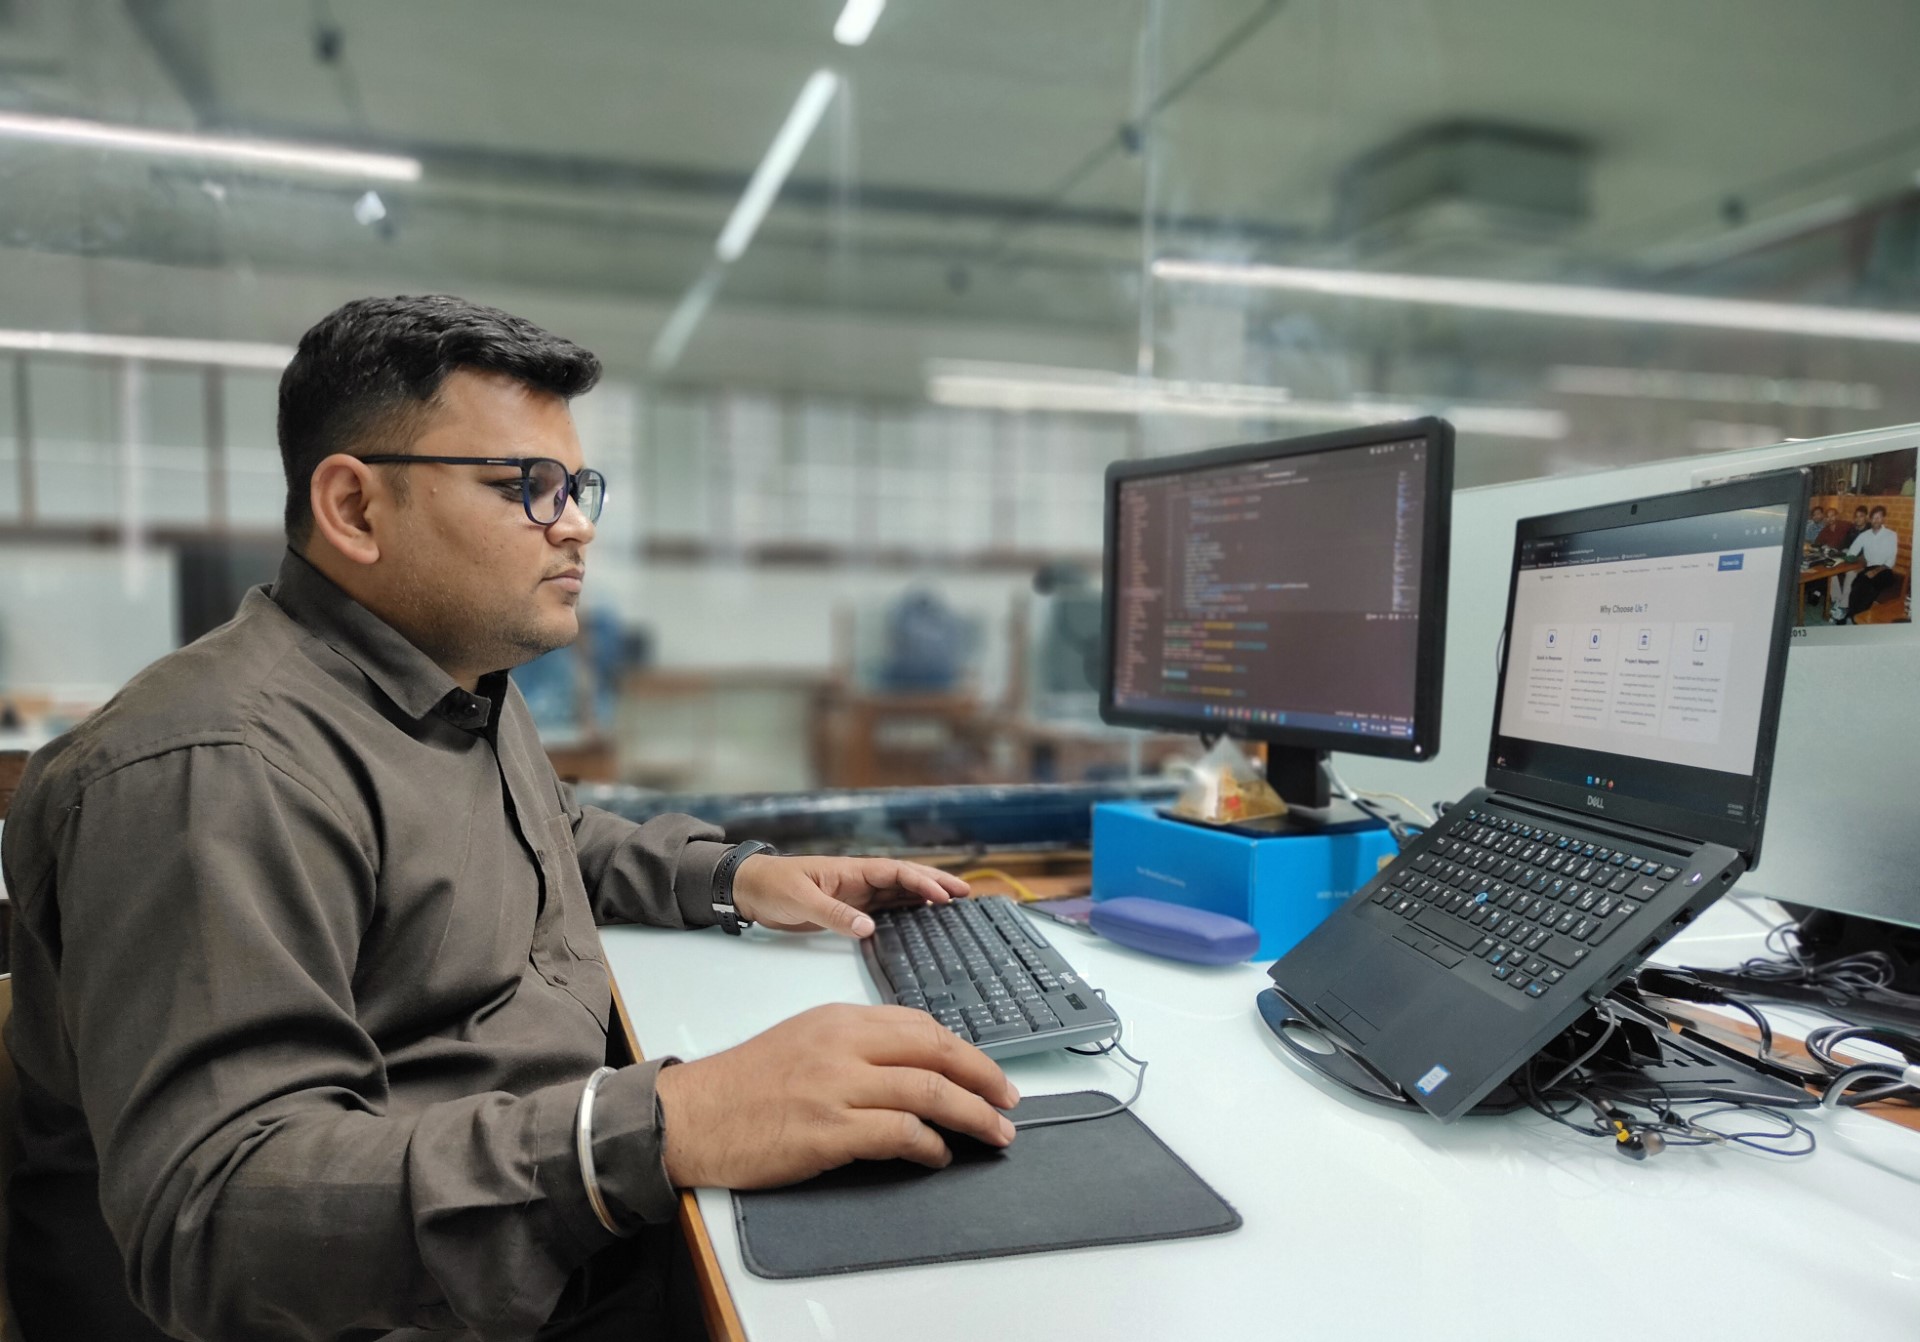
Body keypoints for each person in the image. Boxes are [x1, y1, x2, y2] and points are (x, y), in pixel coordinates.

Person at [0, 296, 1020, 1342]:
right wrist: (665, 1124)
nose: (575, 522)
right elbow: (222, 1218)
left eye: (578, 487)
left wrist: (735, 879)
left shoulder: (453, 683)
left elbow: (552, 833)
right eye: (526, 486)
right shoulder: (212, 771)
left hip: (554, 1221)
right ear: (354, 508)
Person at [1836, 504, 1902, 623]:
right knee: (1856, 585)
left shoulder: (1891, 535)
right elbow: (1852, 551)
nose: (1876, 520)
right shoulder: (1864, 535)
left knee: (1869, 587)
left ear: (1883, 519)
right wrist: (1842, 559)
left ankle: (1856, 618)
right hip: (1868, 569)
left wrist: (1875, 571)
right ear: (1870, 519)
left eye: (1879, 517)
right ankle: (1852, 615)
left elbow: (1891, 561)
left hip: (1885, 570)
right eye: (1874, 518)